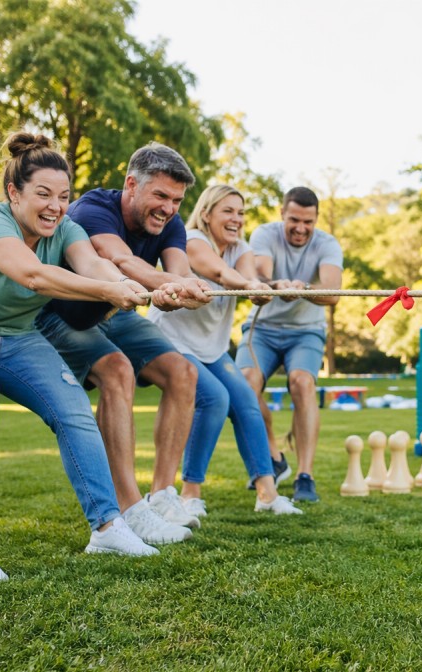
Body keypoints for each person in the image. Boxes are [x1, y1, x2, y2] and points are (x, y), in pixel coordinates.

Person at [0, 132, 158, 582]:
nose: (56, 206)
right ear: (14, 192)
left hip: (16, 338)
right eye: (43, 194)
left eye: (64, 196)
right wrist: (110, 289)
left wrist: (146, 287)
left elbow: (93, 266)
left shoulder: (67, 229)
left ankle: (108, 526)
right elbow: (32, 276)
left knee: (74, 411)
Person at [35, 142, 213, 544]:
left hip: (115, 312)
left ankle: (162, 495)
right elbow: (120, 261)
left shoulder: (171, 223)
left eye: (177, 200)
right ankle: (130, 509)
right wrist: (170, 283)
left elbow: (178, 270)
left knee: (182, 372)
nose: (169, 208)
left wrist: (183, 289)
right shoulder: (93, 209)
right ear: (131, 184)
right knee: (116, 371)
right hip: (62, 313)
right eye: (161, 196)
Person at [148, 184, 302, 516]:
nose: (237, 219)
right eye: (228, 211)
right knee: (215, 398)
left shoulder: (240, 248)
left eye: (241, 213)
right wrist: (250, 285)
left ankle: (267, 494)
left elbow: (248, 277)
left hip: (211, 347)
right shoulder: (191, 240)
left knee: (246, 400)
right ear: (206, 214)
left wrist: (268, 288)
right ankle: (191, 494)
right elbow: (218, 272)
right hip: (173, 340)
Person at [235, 187, 343, 503]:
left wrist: (304, 288)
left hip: (305, 331)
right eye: (294, 219)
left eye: (307, 221)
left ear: (316, 219)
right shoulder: (265, 235)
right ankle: (274, 456)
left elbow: (333, 292)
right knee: (245, 384)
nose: (300, 228)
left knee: (302, 383)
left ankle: (304, 475)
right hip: (263, 327)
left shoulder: (327, 244)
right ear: (282, 214)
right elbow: (260, 275)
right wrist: (277, 284)